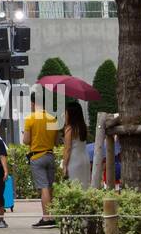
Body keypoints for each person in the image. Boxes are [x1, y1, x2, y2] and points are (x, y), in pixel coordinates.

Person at [22, 92, 59, 226]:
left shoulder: (30, 119)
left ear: (33, 103)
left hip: (37, 157)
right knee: (49, 188)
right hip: (50, 155)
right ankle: (53, 216)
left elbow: (26, 141)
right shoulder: (52, 119)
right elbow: (56, 142)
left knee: (43, 187)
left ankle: (46, 218)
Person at [61, 100, 90, 189]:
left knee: (75, 188)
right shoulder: (83, 127)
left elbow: (67, 149)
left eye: (65, 112)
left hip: (74, 161)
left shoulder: (69, 129)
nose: (64, 115)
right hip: (85, 159)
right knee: (84, 187)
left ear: (70, 114)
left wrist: (64, 165)